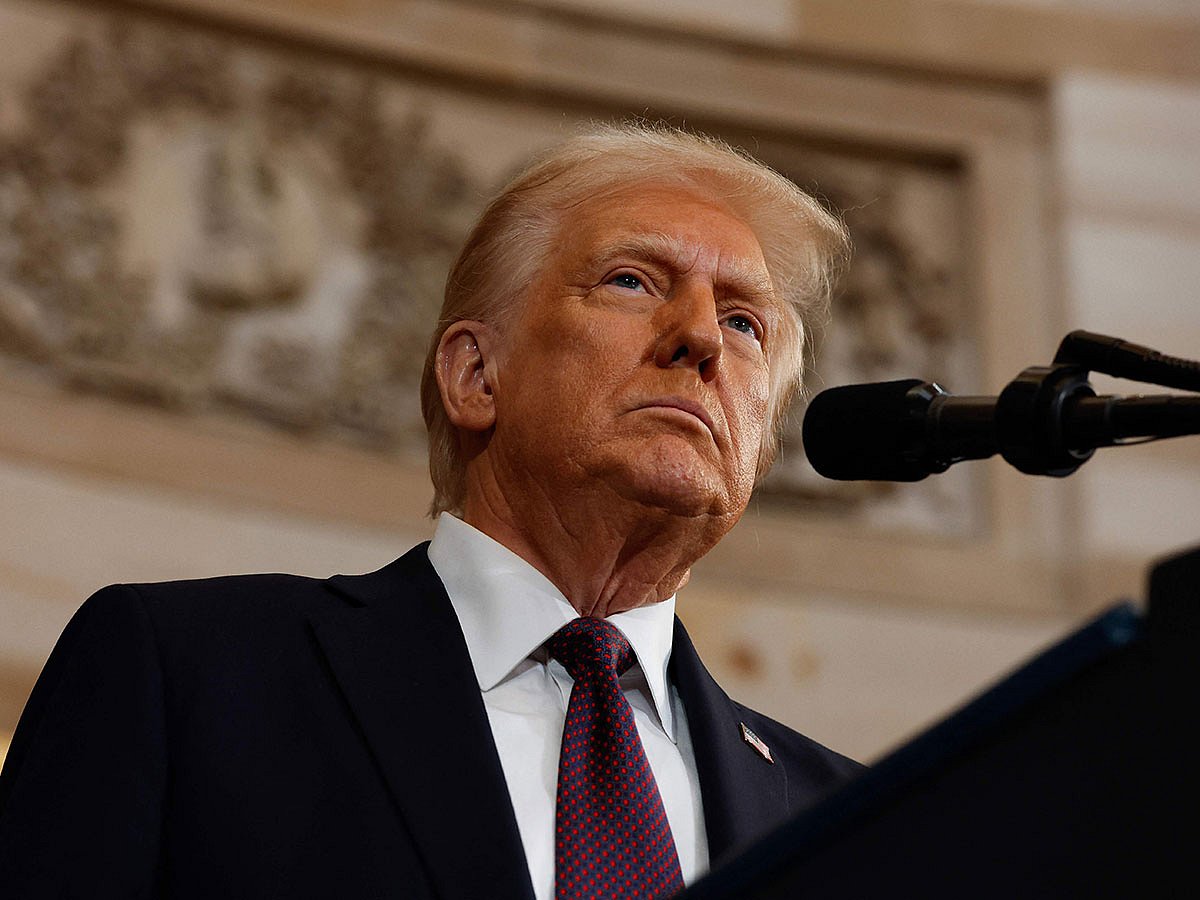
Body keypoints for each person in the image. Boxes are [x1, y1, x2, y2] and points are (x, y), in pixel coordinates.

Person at [0, 122, 861, 899]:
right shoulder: (191, 676)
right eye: (634, 280)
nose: (702, 337)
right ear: (474, 377)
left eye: (745, 322)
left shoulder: (847, 820)